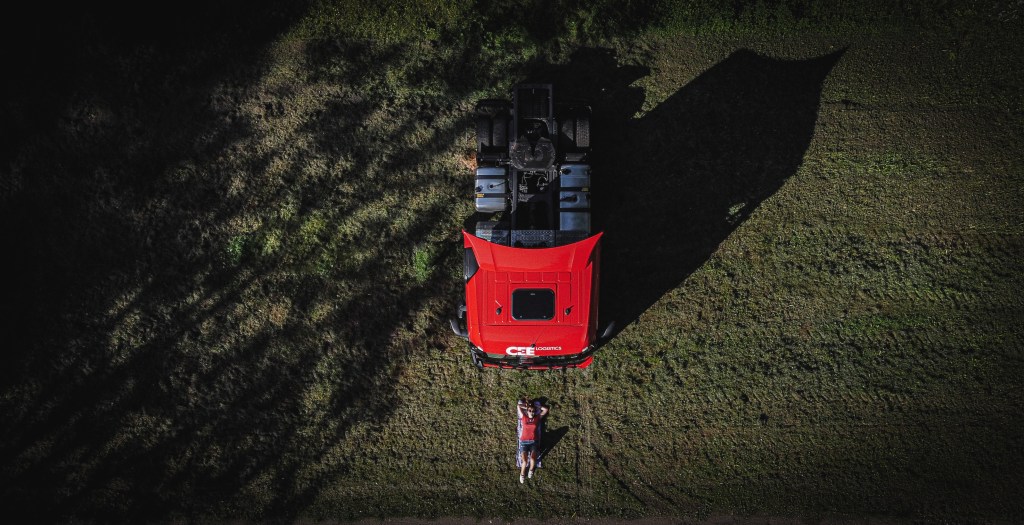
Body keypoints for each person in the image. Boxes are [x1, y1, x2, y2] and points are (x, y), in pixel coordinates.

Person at [516, 397, 548, 483]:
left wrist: (537, 407)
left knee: (533, 460)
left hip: (534, 441)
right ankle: (522, 474)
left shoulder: (537, 418)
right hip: (524, 442)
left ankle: (531, 470)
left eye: (533, 411)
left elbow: (545, 410)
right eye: (530, 411)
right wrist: (527, 406)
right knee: (525, 461)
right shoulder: (523, 417)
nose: (532, 412)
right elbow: (518, 406)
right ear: (527, 411)